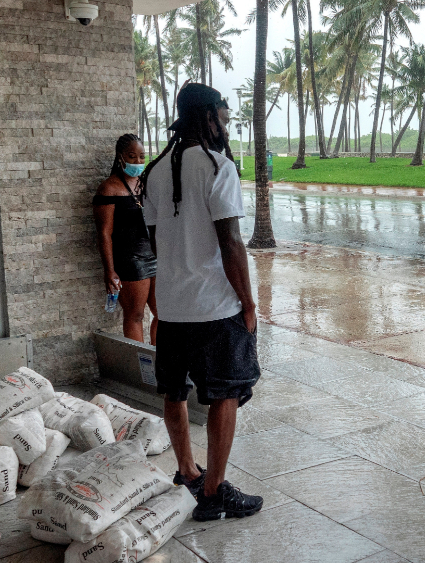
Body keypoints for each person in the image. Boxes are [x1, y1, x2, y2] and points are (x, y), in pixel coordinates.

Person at [140, 83, 262, 521]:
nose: (224, 128)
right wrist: (248, 302)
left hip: (172, 306)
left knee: (174, 390)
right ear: (208, 116)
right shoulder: (217, 167)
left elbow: (157, 243)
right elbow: (231, 242)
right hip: (215, 307)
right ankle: (213, 493)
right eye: (223, 119)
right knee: (225, 392)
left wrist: (163, 300)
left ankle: (188, 471)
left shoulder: (154, 172)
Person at [93, 134, 158, 344]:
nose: (138, 161)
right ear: (120, 156)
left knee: (164, 313)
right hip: (130, 261)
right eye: (132, 156)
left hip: (155, 254)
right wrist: (109, 270)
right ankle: (139, 364)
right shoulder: (109, 188)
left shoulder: (146, 184)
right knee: (135, 315)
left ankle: (162, 360)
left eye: (142, 156)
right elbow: (104, 233)